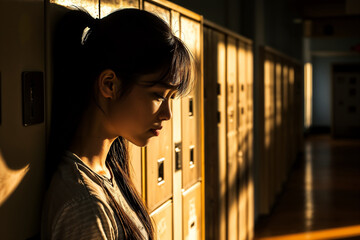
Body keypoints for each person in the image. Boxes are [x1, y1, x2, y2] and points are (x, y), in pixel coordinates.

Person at [41, 6, 193, 240]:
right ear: (109, 85)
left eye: (171, 98)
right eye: (158, 95)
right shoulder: (85, 206)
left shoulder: (108, 171)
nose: (168, 115)